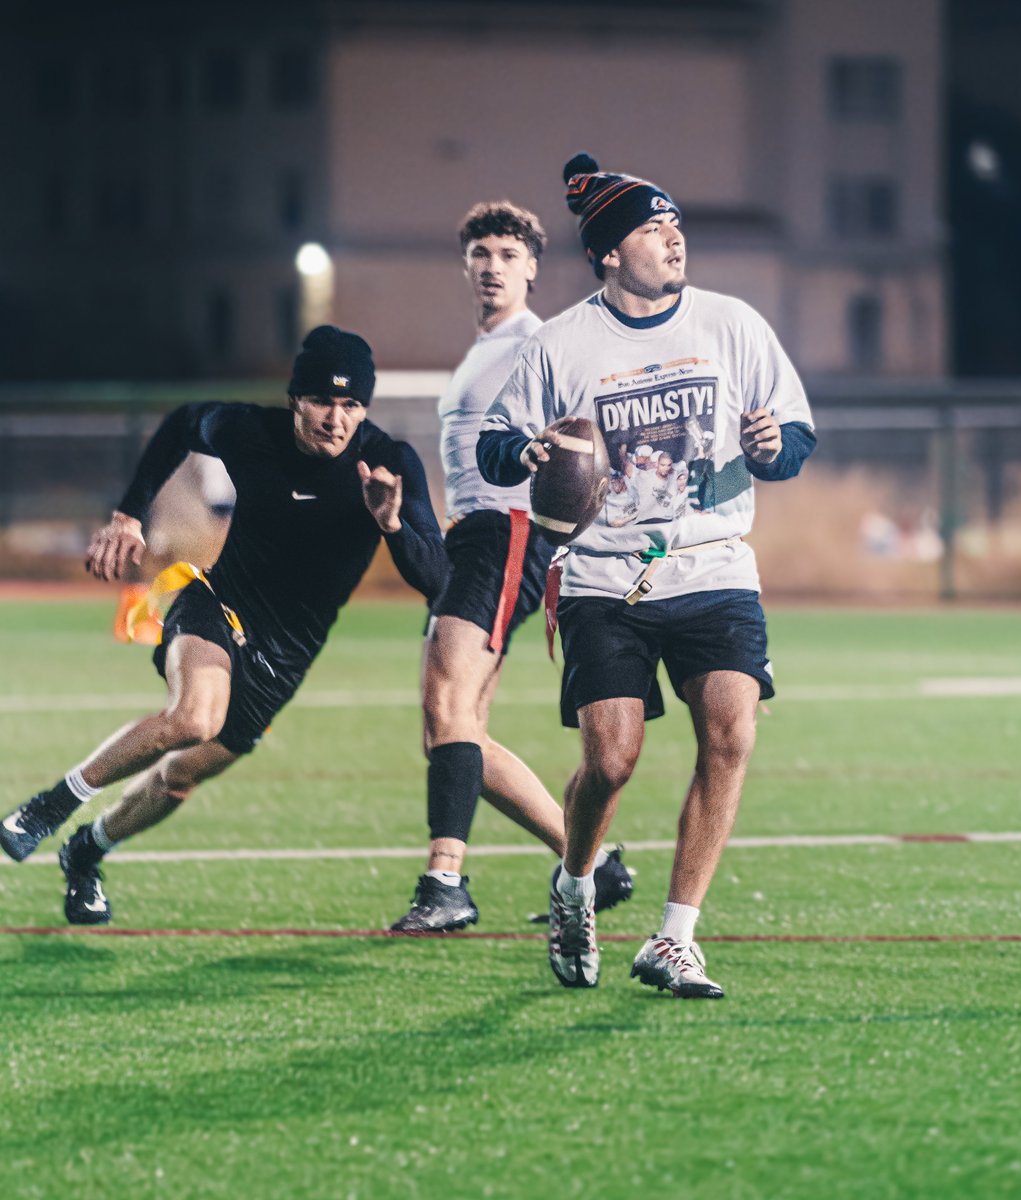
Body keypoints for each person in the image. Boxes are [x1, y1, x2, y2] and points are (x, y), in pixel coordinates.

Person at [477, 153, 817, 998]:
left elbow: (797, 435)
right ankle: (576, 882)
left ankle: (675, 938)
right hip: (604, 579)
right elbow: (495, 443)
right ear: (608, 254)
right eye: (651, 226)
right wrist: (528, 451)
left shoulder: (732, 324)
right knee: (613, 761)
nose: (673, 236)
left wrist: (776, 448)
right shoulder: (561, 345)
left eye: (675, 223)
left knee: (731, 734)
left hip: (713, 563)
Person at [0, 326, 447, 925]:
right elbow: (184, 421)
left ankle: (87, 851)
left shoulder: (389, 463)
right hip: (219, 603)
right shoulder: (249, 431)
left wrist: (392, 524)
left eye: (351, 405)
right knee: (193, 717)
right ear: (296, 399)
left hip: (284, 657)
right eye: (322, 401)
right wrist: (130, 513)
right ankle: (46, 808)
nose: (336, 420)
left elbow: (437, 580)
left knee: (178, 779)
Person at [390, 201, 632, 933]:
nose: (492, 266)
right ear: (466, 267)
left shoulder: (541, 342)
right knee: (456, 728)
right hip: (475, 537)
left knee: (446, 708)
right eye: (481, 255)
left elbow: (596, 433)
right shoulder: (480, 350)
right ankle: (594, 864)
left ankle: (445, 884)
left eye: (507, 253)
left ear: (532, 266)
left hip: (509, 531)